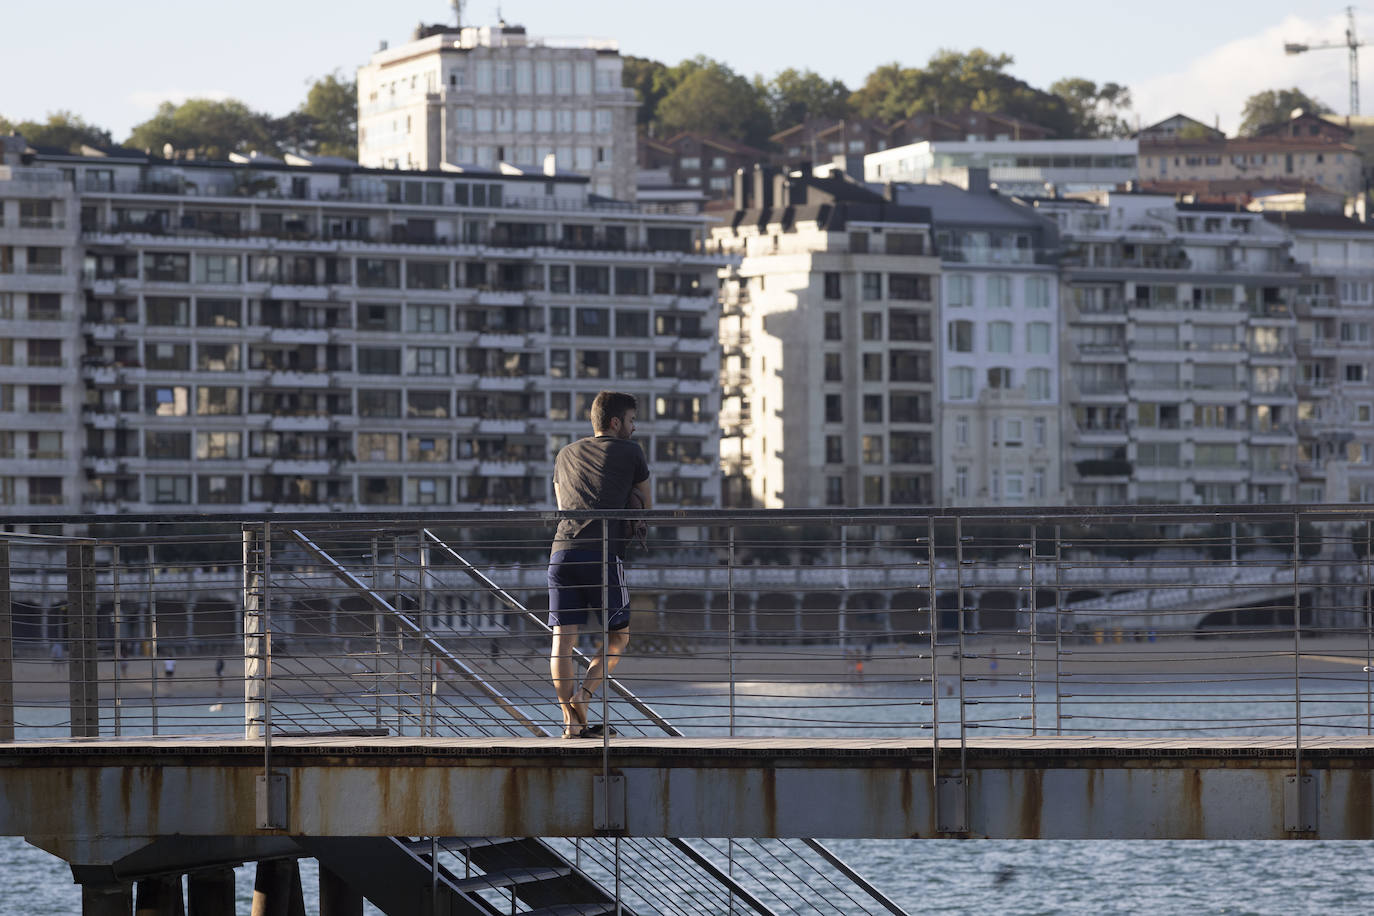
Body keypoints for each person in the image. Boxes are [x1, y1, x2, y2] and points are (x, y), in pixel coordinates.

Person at [548, 391, 650, 739]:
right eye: (632, 421)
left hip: (561, 552)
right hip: (603, 553)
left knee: (562, 641)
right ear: (616, 422)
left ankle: (571, 723)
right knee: (619, 636)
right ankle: (584, 696)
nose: (635, 428)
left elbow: (563, 504)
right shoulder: (630, 451)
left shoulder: (564, 454)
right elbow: (647, 504)